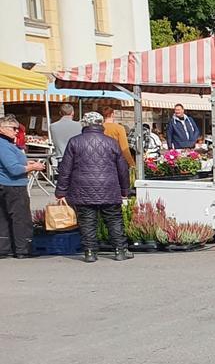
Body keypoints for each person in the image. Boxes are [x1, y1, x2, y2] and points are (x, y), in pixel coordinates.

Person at [55, 112, 130, 263]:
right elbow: (122, 168)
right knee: (114, 220)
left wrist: (61, 191)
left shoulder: (74, 142)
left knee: (87, 221)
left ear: (84, 124)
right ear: (101, 124)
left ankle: (90, 252)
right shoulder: (111, 142)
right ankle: (120, 250)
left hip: (82, 188)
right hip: (109, 187)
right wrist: (125, 190)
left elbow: (65, 169)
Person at [0, 115, 46, 258]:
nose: (16, 132)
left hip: (7, 184)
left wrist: (27, 164)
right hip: (13, 185)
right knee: (20, 218)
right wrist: (33, 167)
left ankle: (5, 248)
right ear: (2, 129)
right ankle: (23, 249)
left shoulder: (6, 144)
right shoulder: (3, 145)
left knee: (4, 218)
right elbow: (13, 168)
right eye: (13, 129)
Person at [96, 100, 136, 181]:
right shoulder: (119, 128)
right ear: (112, 114)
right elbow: (124, 148)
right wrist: (132, 163)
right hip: (114, 161)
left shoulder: (98, 127)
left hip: (99, 159)